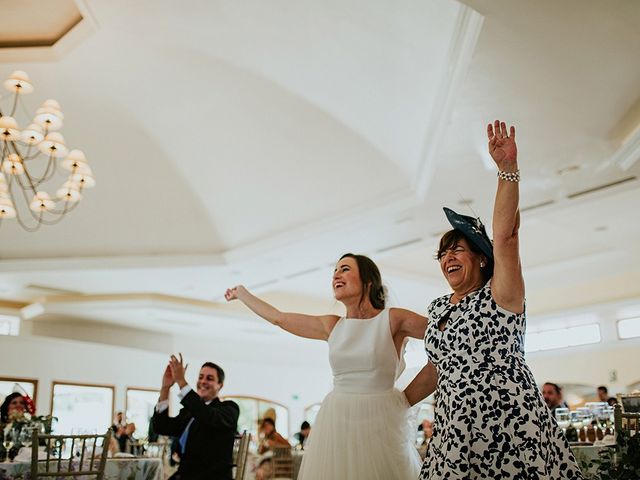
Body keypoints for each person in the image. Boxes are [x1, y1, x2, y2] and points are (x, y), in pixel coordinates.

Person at [414, 121, 583, 479]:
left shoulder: (500, 296)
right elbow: (436, 368)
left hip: (508, 428)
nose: (448, 258)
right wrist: (395, 404)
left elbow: (506, 237)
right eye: (443, 254)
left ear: (481, 258)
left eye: (457, 249)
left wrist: (507, 170)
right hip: (453, 435)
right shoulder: (438, 308)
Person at [225, 253, 432, 479]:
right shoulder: (332, 325)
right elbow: (279, 318)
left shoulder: (394, 319)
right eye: (334, 271)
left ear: (368, 281)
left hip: (380, 421)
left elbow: (449, 340)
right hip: (337, 421)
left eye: (344, 269)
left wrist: (404, 399)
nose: (336, 275)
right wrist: (243, 294)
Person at [151, 355, 239, 480]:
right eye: (200, 377)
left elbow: (207, 416)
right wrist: (165, 388)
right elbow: (161, 427)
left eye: (209, 378)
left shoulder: (229, 409)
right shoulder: (189, 412)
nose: (203, 382)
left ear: (220, 385)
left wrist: (181, 382)